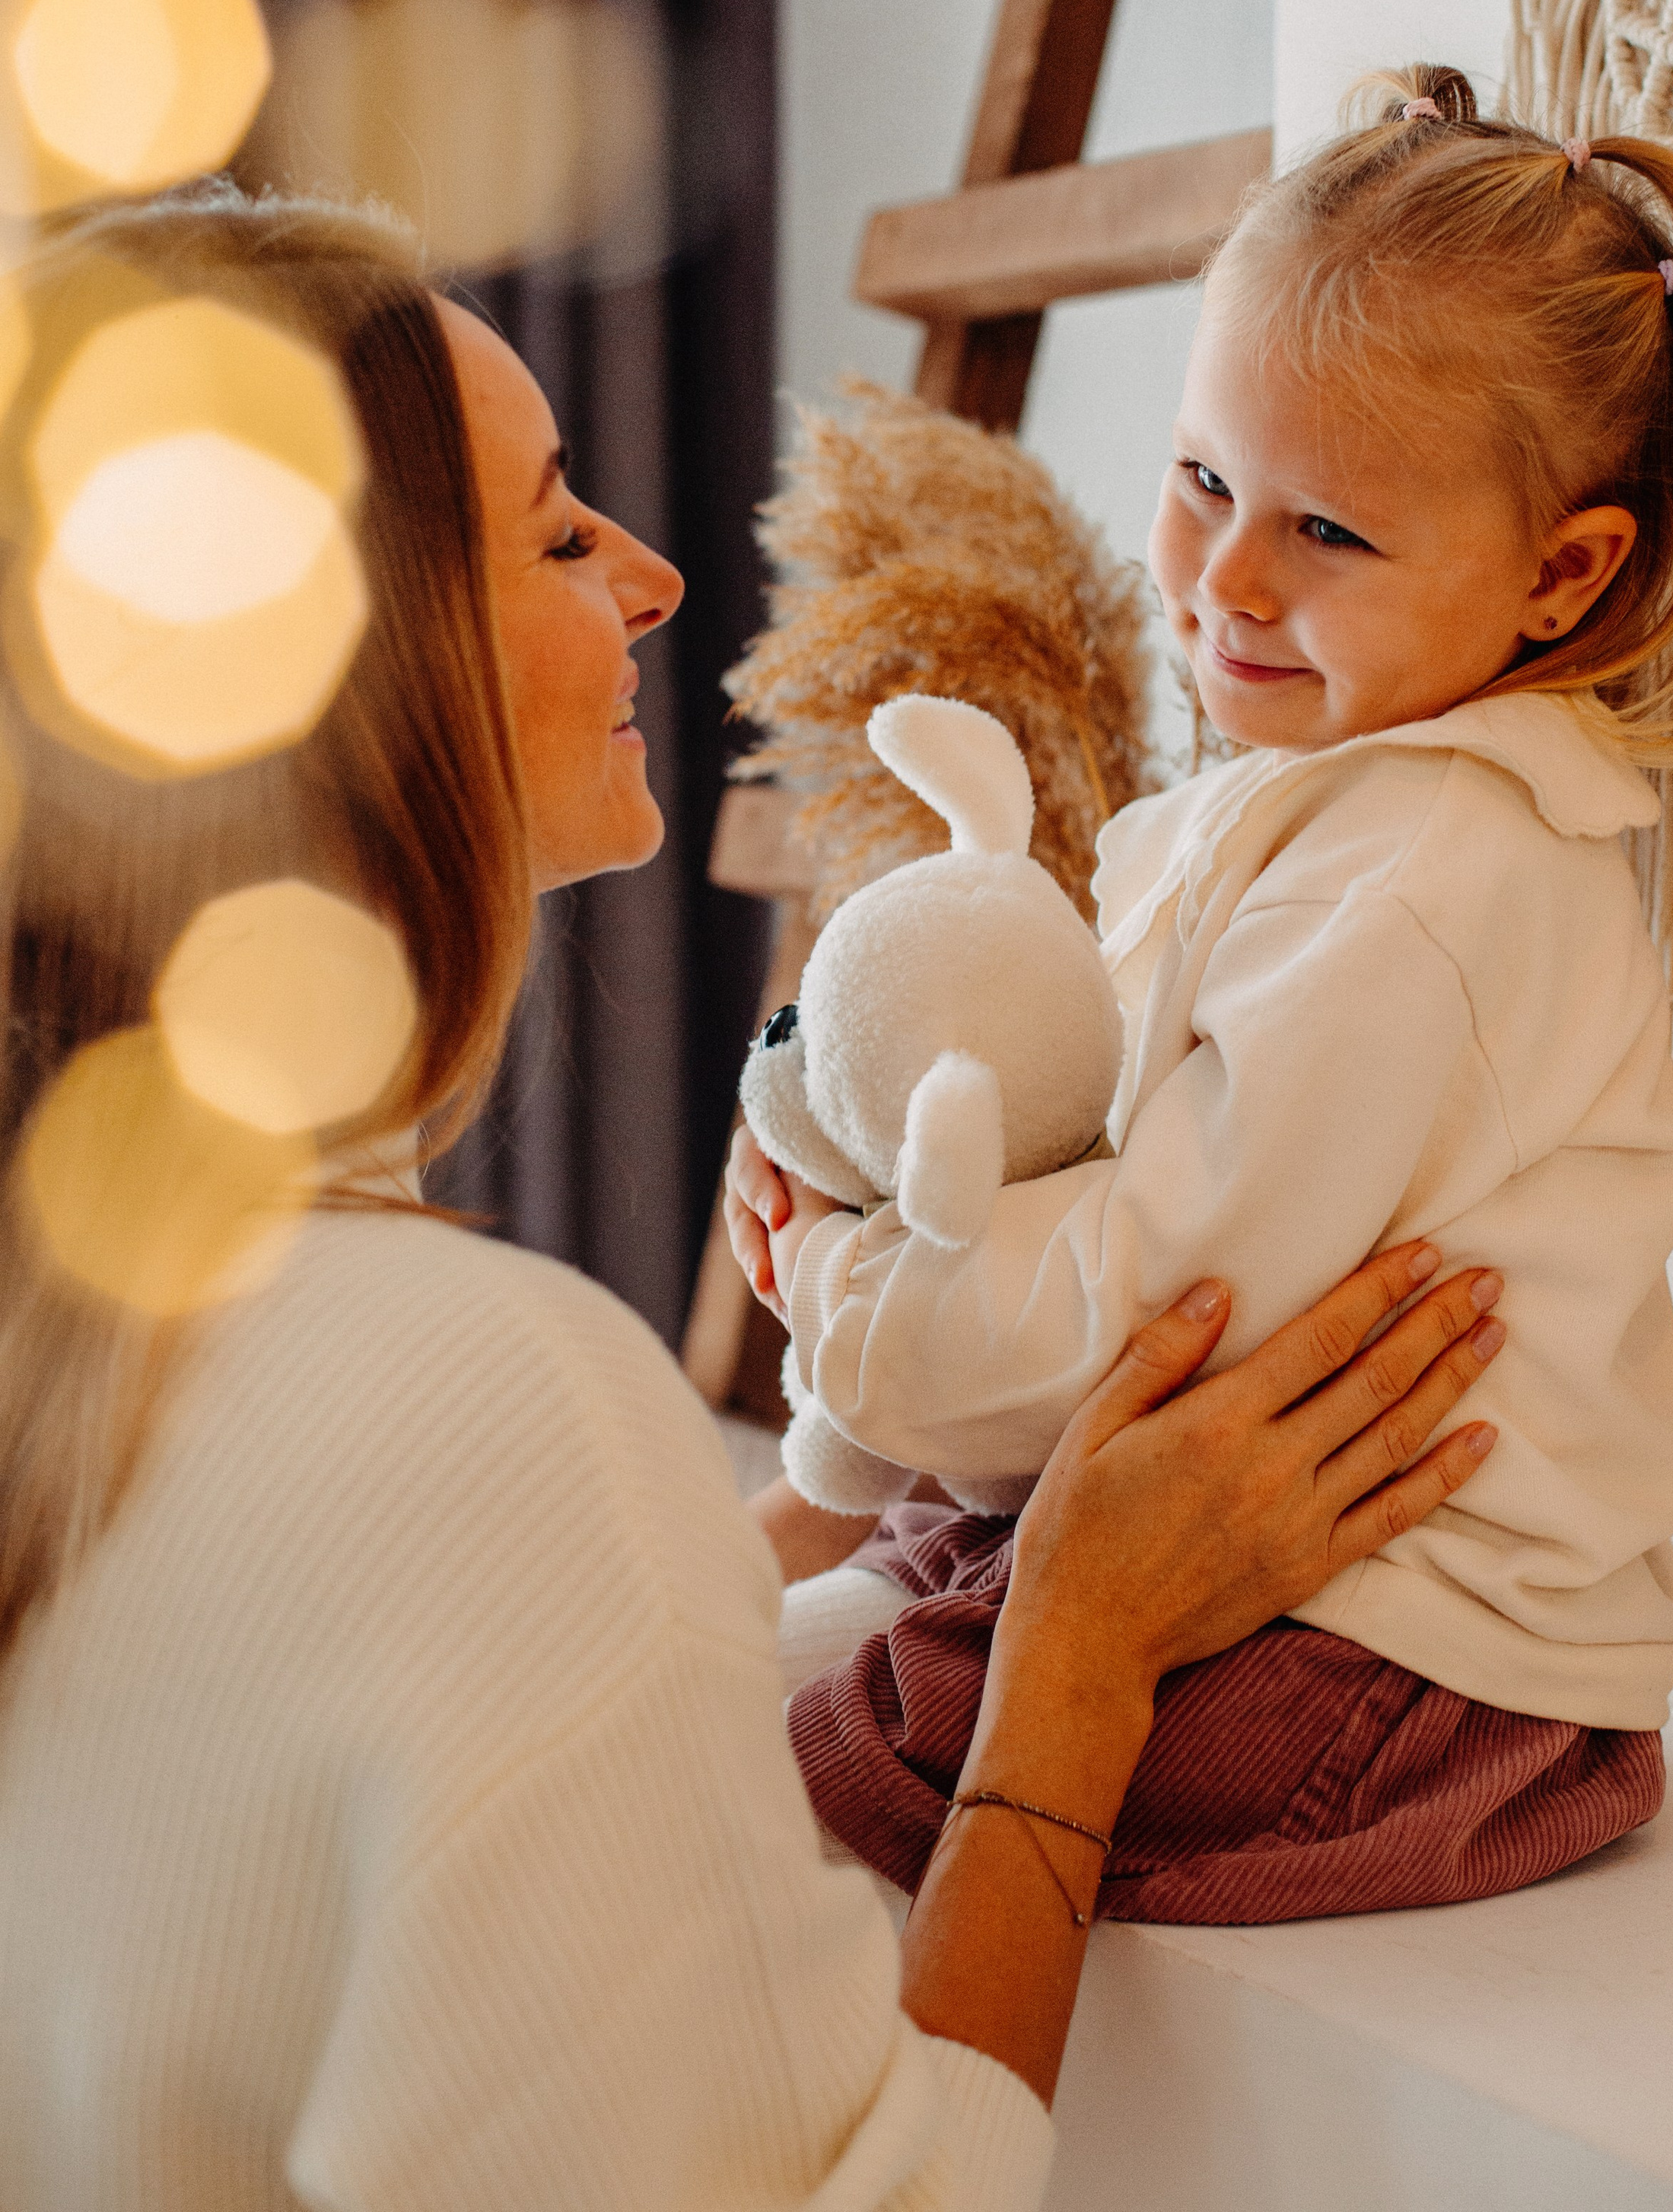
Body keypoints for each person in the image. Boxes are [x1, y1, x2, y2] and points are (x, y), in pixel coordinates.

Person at [0, 184, 1504, 2210]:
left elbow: (407, 1710)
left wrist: (837, 1487)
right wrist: (1076, 1658)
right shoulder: (492, 1394)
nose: (652, 574)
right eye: (555, 534)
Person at [731, 64, 1673, 1930]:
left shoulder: (1422, 877)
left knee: (791, 1785)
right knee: (821, 1611)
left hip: (1398, 1667)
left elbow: (1162, 1308)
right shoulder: (1321, 804)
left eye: (1327, 534)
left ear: (1560, 575)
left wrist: (847, 1289)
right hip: (1273, 1585)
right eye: (1201, 481)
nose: (1228, 581)